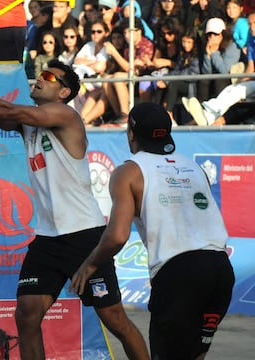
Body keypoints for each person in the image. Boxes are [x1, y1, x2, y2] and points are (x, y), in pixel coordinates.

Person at [0, 59, 150, 360]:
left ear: (64, 93)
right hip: (48, 238)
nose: (40, 78)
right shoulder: (29, 123)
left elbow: (9, 110)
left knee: (115, 319)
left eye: (49, 76)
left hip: (84, 235)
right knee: (26, 315)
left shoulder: (66, 115)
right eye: (40, 74)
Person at [70, 102, 235, 360]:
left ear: (131, 134)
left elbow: (117, 236)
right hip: (221, 269)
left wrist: (89, 265)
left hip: (179, 273)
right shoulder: (195, 167)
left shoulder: (128, 171)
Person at [197, 17, 241, 101]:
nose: (212, 37)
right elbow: (206, 73)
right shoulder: (208, 46)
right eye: (209, 35)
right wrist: (208, 56)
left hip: (230, 79)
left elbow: (224, 71)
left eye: (216, 34)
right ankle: (202, 107)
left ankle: (220, 111)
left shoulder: (232, 46)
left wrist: (214, 53)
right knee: (203, 79)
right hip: (214, 77)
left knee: (219, 79)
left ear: (223, 34)